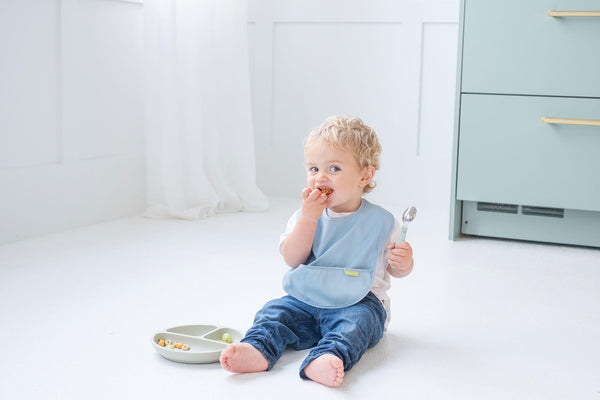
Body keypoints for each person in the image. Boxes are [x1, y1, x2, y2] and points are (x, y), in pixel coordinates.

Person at [220, 116, 414, 387]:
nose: (319, 177)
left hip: (359, 301)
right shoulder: (304, 215)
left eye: (333, 168)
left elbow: (394, 269)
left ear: (365, 175)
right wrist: (309, 219)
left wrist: (403, 262)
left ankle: (328, 355)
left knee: (357, 323)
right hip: (307, 297)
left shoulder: (382, 222)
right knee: (275, 310)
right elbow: (292, 258)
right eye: (313, 169)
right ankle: (258, 348)